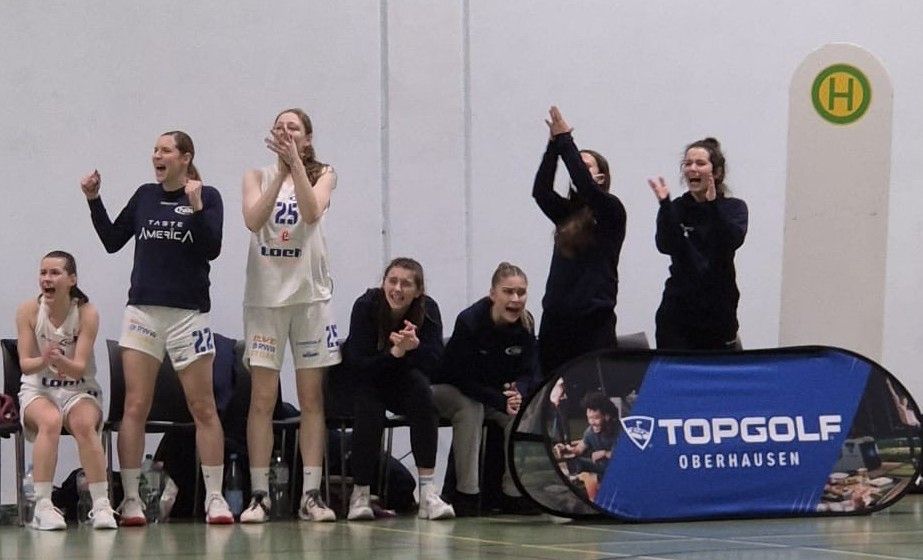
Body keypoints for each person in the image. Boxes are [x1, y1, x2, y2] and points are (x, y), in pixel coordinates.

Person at [80, 130, 232, 525]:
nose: (156, 156)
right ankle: (131, 499)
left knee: (203, 407)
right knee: (135, 405)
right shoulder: (145, 196)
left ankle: (215, 498)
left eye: (165, 150)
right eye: (154, 150)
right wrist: (94, 200)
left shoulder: (208, 196)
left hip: (189, 315)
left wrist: (197, 208)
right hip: (143, 313)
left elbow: (212, 248)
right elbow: (112, 239)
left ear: (185, 157)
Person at [239, 108, 340, 523]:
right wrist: (279, 172)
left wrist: (296, 166)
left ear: (307, 137)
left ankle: (311, 495)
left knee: (311, 398)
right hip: (265, 300)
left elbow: (312, 212)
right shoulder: (255, 176)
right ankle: (259, 494)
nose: (285, 132)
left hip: (309, 299)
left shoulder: (324, 173)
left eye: (293, 127)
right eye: (279, 127)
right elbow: (253, 220)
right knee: (262, 399)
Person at [342, 258, 455, 521]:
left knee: (423, 395)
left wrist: (414, 348)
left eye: (406, 284)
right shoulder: (366, 306)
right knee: (368, 408)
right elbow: (357, 364)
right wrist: (394, 353)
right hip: (368, 378)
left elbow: (435, 364)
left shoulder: (428, 310)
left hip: (402, 379)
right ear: (383, 283)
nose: (397, 289)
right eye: (392, 281)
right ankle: (360, 493)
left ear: (418, 291)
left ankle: (427, 493)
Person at [15, 251, 117, 530]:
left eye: (55, 273)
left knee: (84, 424)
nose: (47, 279)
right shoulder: (28, 310)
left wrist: (62, 362)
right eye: (43, 273)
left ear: (72, 279)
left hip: (79, 389)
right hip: (39, 390)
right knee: (50, 420)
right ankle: (43, 505)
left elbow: (79, 368)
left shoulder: (87, 312)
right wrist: (46, 360)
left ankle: (101, 505)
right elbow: (25, 364)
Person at [433, 262, 541, 516]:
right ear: (493, 294)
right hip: (453, 388)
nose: (516, 299)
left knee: (521, 414)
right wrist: (499, 399)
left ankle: (513, 493)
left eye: (521, 292)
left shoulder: (526, 323)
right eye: (508, 291)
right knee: (471, 409)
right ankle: (466, 493)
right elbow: (459, 376)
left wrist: (519, 391)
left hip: (493, 394)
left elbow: (530, 370)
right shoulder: (470, 321)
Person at [533, 106, 626, 376]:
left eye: (586, 166)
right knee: (551, 387)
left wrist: (566, 140)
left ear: (601, 177)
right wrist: (553, 147)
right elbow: (540, 191)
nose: (576, 171)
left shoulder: (611, 211)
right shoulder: (567, 214)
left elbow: (586, 186)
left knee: (592, 390)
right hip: (556, 318)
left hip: (593, 321)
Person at [648, 138, 748, 350]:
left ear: (717, 172)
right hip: (677, 313)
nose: (692, 168)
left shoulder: (734, 208)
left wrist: (712, 206)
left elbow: (729, 241)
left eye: (700, 163)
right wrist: (665, 206)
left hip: (718, 311)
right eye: (688, 163)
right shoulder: (676, 207)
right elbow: (665, 245)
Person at [553, 391, 620, 476]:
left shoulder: (619, 431)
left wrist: (605, 453)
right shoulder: (590, 432)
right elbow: (578, 450)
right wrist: (565, 449)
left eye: (596, 418)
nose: (592, 422)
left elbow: (623, 455)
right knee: (575, 462)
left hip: (618, 468)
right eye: (589, 418)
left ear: (607, 416)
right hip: (601, 468)